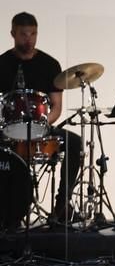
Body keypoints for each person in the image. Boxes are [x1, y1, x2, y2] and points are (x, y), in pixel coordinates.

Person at [0, 12, 82, 226]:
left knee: (74, 143)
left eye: (33, 34)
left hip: (40, 128)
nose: (29, 39)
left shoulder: (49, 64)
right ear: (13, 34)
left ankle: (61, 205)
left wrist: (43, 125)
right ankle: (9, 214)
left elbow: (56, 107)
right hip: (7, 130)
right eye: (23, 34)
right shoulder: (3, 63)